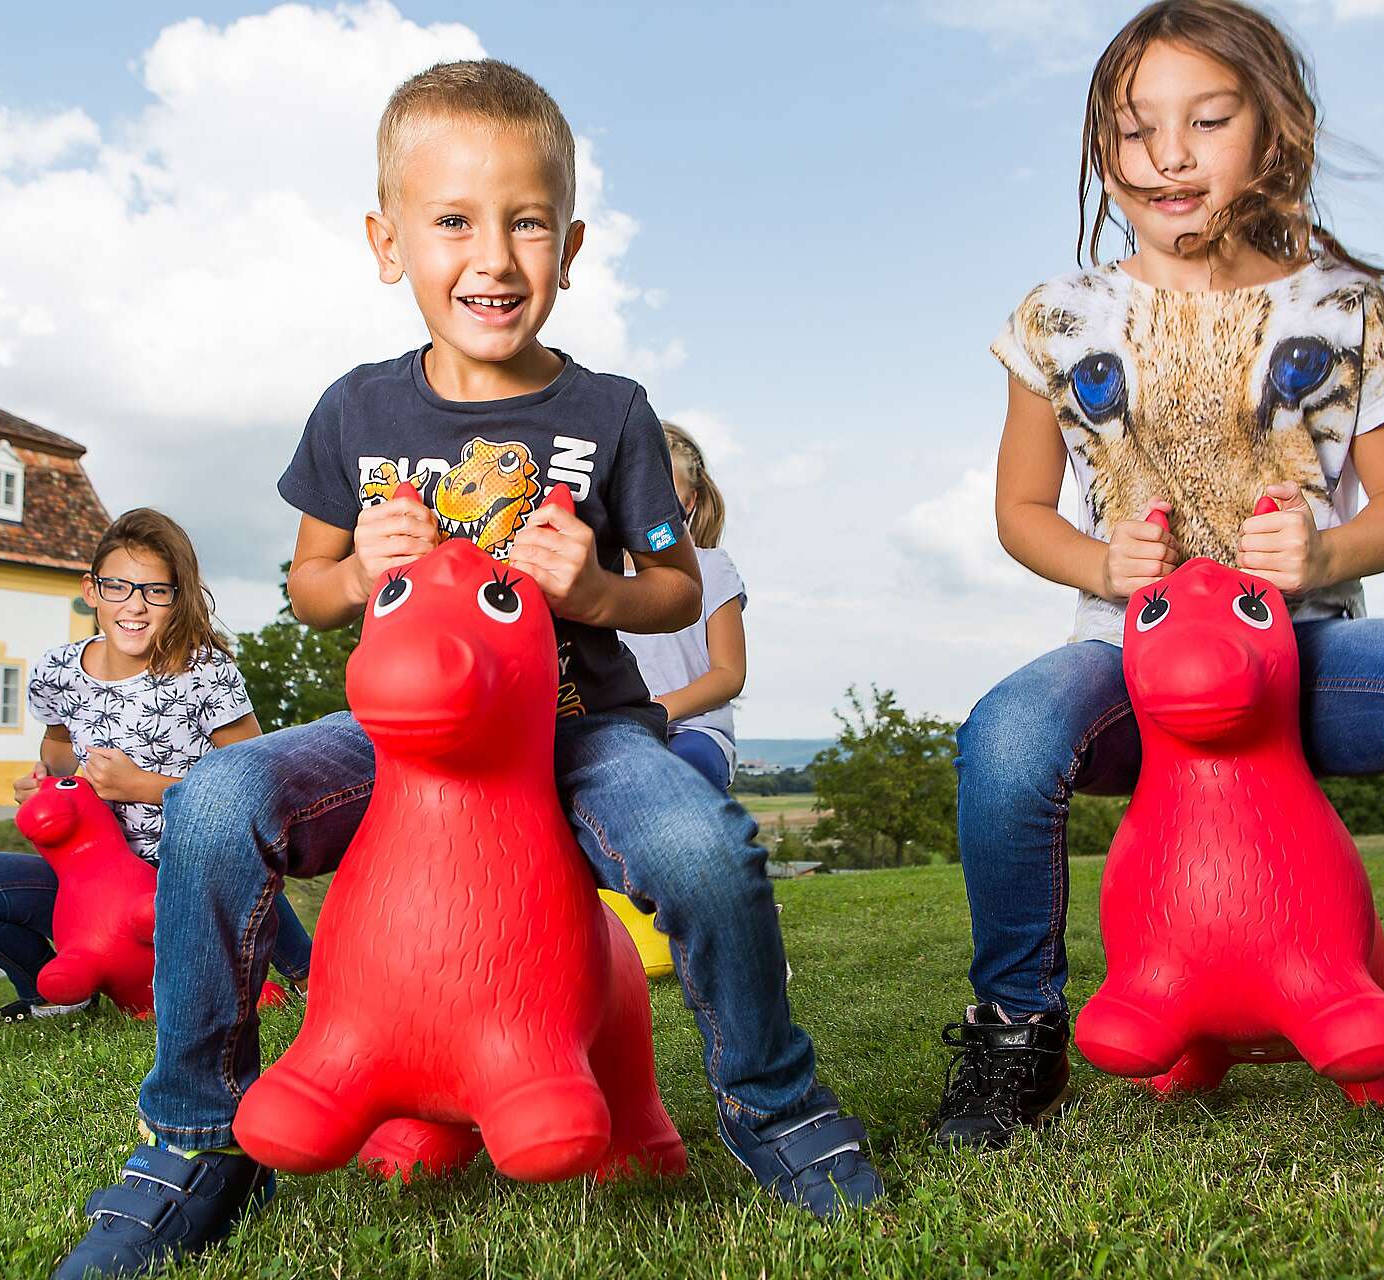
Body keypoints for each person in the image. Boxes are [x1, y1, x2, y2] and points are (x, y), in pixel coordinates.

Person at [54, 60, 880, 1280]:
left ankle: (775, 1101)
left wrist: (597, 590)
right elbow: (307, 584)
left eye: (527, 222)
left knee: (705, 847)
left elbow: (677, 587)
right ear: (388, 242)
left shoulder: (612, 411)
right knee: (217, 798)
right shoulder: (356, 411)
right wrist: (357, 568)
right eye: (453, 220)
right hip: (404, 735)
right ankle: (196, 1132)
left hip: (576, 728)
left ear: (571, 245)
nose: (492, 256)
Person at [931, 0, 1384, 1150]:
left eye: (1207, 120)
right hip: (1128, 662)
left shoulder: (1343, 307)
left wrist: (1328, 552)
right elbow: (1019, 512)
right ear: (1101, 146)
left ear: (1275, 132)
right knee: (1006, 736)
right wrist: (1100, 560)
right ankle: (1015, 1032)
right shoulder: (1057, 317)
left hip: (1309, 659)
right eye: (1134, 128)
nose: (1168, 155)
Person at [0, 508, 312, 1029]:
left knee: (224, 859)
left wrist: (143, 787)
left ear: (178, 598)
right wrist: (46, 785)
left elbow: (259, 788)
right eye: (118, 587)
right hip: (92, 883)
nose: (135, 605)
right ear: (91, 591)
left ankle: (307, 974)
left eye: (156, 590)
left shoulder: (205, 672)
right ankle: (54, 996)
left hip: (180, 884)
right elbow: (58, 748)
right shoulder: (57, 670)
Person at [618, 422, 747, 792]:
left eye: (664, 493)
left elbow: (729, 673)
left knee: (675, 780)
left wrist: (658, 710)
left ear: (689, 502)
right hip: (617, 731)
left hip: (694, 730)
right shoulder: (599, 576)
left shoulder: (712, 568)